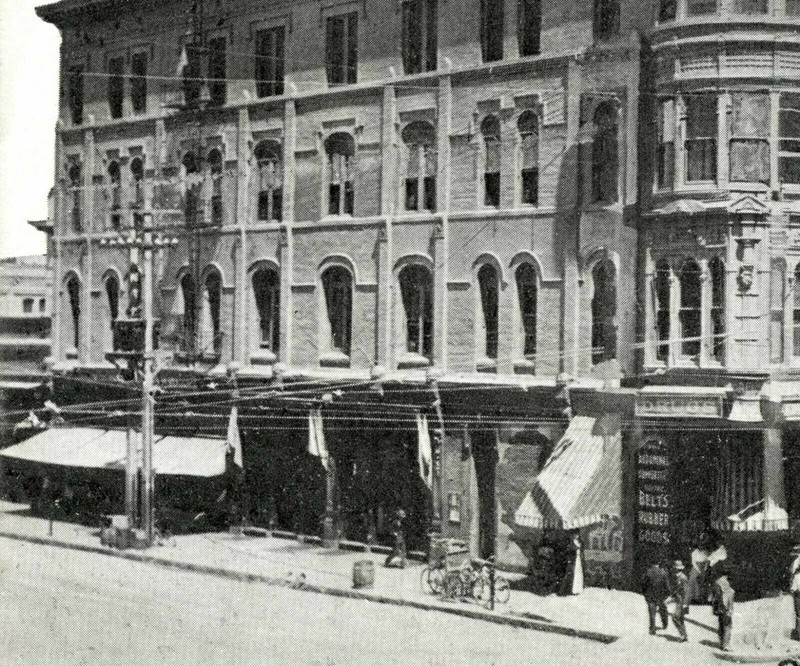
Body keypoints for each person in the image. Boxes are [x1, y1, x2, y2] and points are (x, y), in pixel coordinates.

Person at [642, 560, 670, 635]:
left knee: (652, 613)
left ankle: (652, 629)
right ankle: (665, 624)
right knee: (663, 610)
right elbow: (667, 585)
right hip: (661, 595)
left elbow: (643, 584)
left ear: (652, 564)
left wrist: (645, 593)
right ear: (658, 564)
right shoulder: (663, 572)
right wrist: (668, 593)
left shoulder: (648, 572)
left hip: (650, 595)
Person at [710, 567, 735, 651]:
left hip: (718, 607)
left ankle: (721, 643)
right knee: (727, 626)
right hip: (725, 607)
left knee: (721, 625)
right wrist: (729, 609)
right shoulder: (726, 584)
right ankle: (726, 645)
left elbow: (712, 597)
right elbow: (728, 597)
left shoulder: (717, 582)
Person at [669, 560, 690, 642]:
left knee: (675, 617)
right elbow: (677, 590)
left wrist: (685, 604)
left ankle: (682, 635)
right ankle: (684, 636)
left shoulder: (683, 577)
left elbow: (686, 591)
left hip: (682, 601)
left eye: (674, 568)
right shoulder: (677, 576)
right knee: (680, 619)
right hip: (679, 600)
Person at [789, 544, 800, 640]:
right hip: (797, 588)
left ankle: (798, 632)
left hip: (798, 589)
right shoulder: (796, 562)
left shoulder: (796, 562)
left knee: (798, 611)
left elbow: (792, 574)